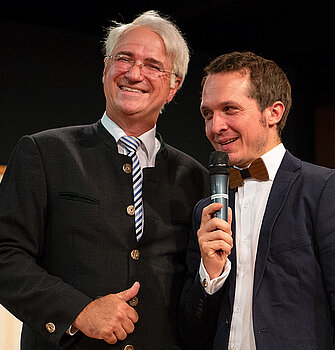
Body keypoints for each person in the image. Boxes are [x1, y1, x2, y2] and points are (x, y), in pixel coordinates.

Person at [0, 10, 209, 350]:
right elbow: (5, 254)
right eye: (123, 58)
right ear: (105, 70)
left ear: (173, 87)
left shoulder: (194, 179)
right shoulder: (44, 152)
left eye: (153, 65)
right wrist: (78, 311)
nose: (134, 73)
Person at [178, 51, 335, 349]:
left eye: (229, 109)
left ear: (274, 112)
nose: (215, 126)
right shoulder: (204, 211)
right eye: (208, 113)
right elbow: (191, 331)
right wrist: (210, 276)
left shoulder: (325, 190)